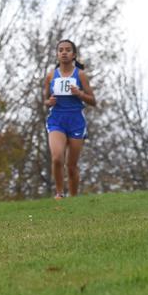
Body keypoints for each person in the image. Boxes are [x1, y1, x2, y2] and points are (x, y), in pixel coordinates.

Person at [42, 39, 96, 199]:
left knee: (71, 166)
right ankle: (59, 193)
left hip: (76, 122)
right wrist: (48, 102)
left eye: (67, 50)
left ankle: (74, 198)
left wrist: (80, 94)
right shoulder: (51, 75)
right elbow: (45, 100)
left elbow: (93, 101)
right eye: (60, 50)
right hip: (57, 120)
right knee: (57, 157)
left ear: (74, 55)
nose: (64, 52)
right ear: (57, 54)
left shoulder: (80, 75)